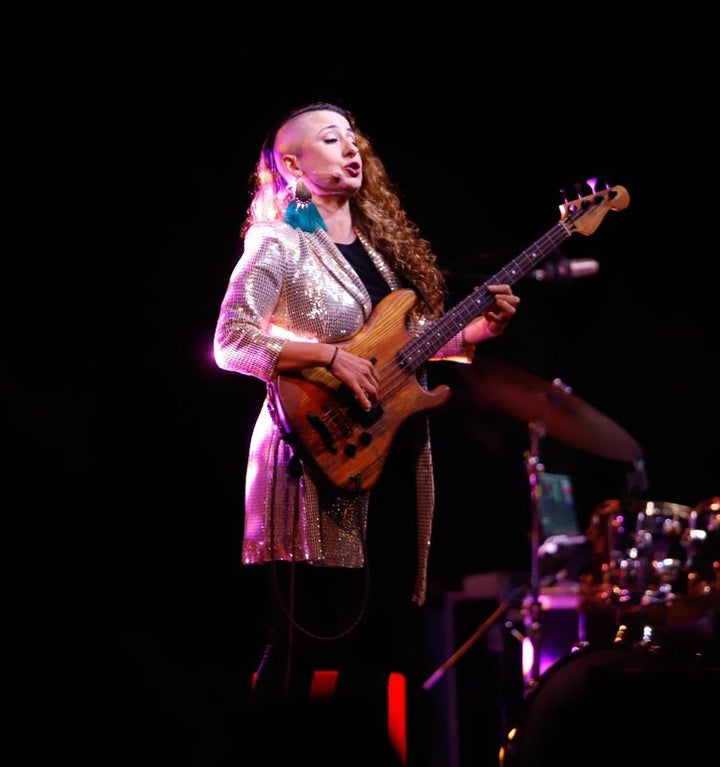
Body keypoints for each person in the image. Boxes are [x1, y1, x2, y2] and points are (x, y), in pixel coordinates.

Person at [212, 101, 520, 764]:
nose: (351, 150)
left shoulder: (377, 256)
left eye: (354, 139)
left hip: (391, 456)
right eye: (331, 139)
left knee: (381, 640)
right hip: (311, 462)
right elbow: (229, 341)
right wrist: (326, 355)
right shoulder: (278, 244)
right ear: (292, 164)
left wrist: (475, 333)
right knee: (306, 644)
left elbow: (401, 351)